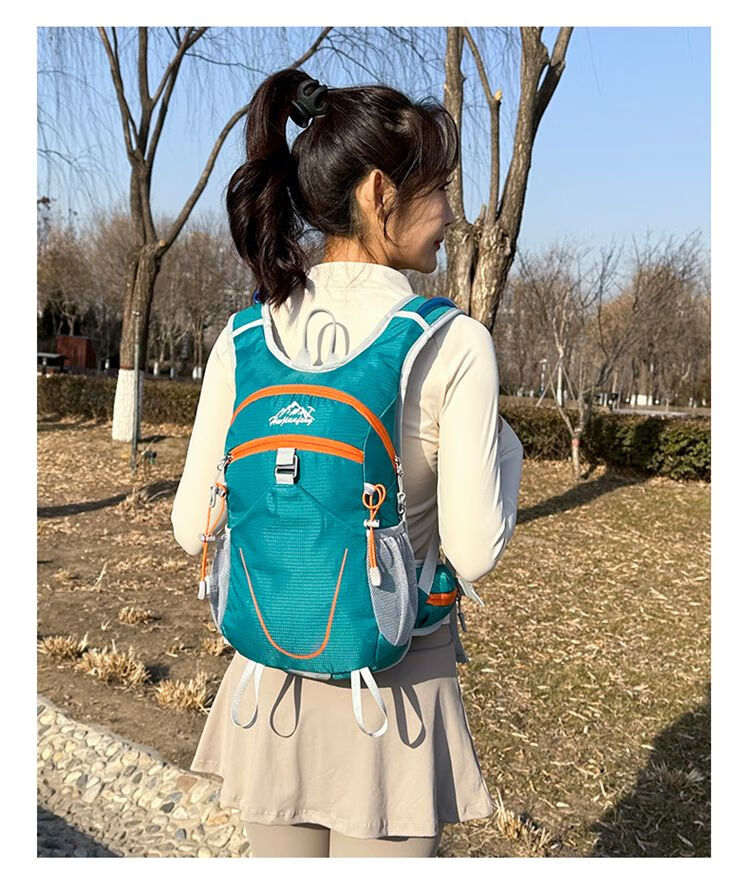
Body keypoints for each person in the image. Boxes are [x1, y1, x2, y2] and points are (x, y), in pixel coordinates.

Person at [172, 68, 524, 858]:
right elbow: (474, 552)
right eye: (439, 189)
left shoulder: (246, 336)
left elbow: (192, 525)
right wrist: (510, 451)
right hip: (395, 700)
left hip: (269, 680)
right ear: (378, 192)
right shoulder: (452, 341)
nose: (450, 214)